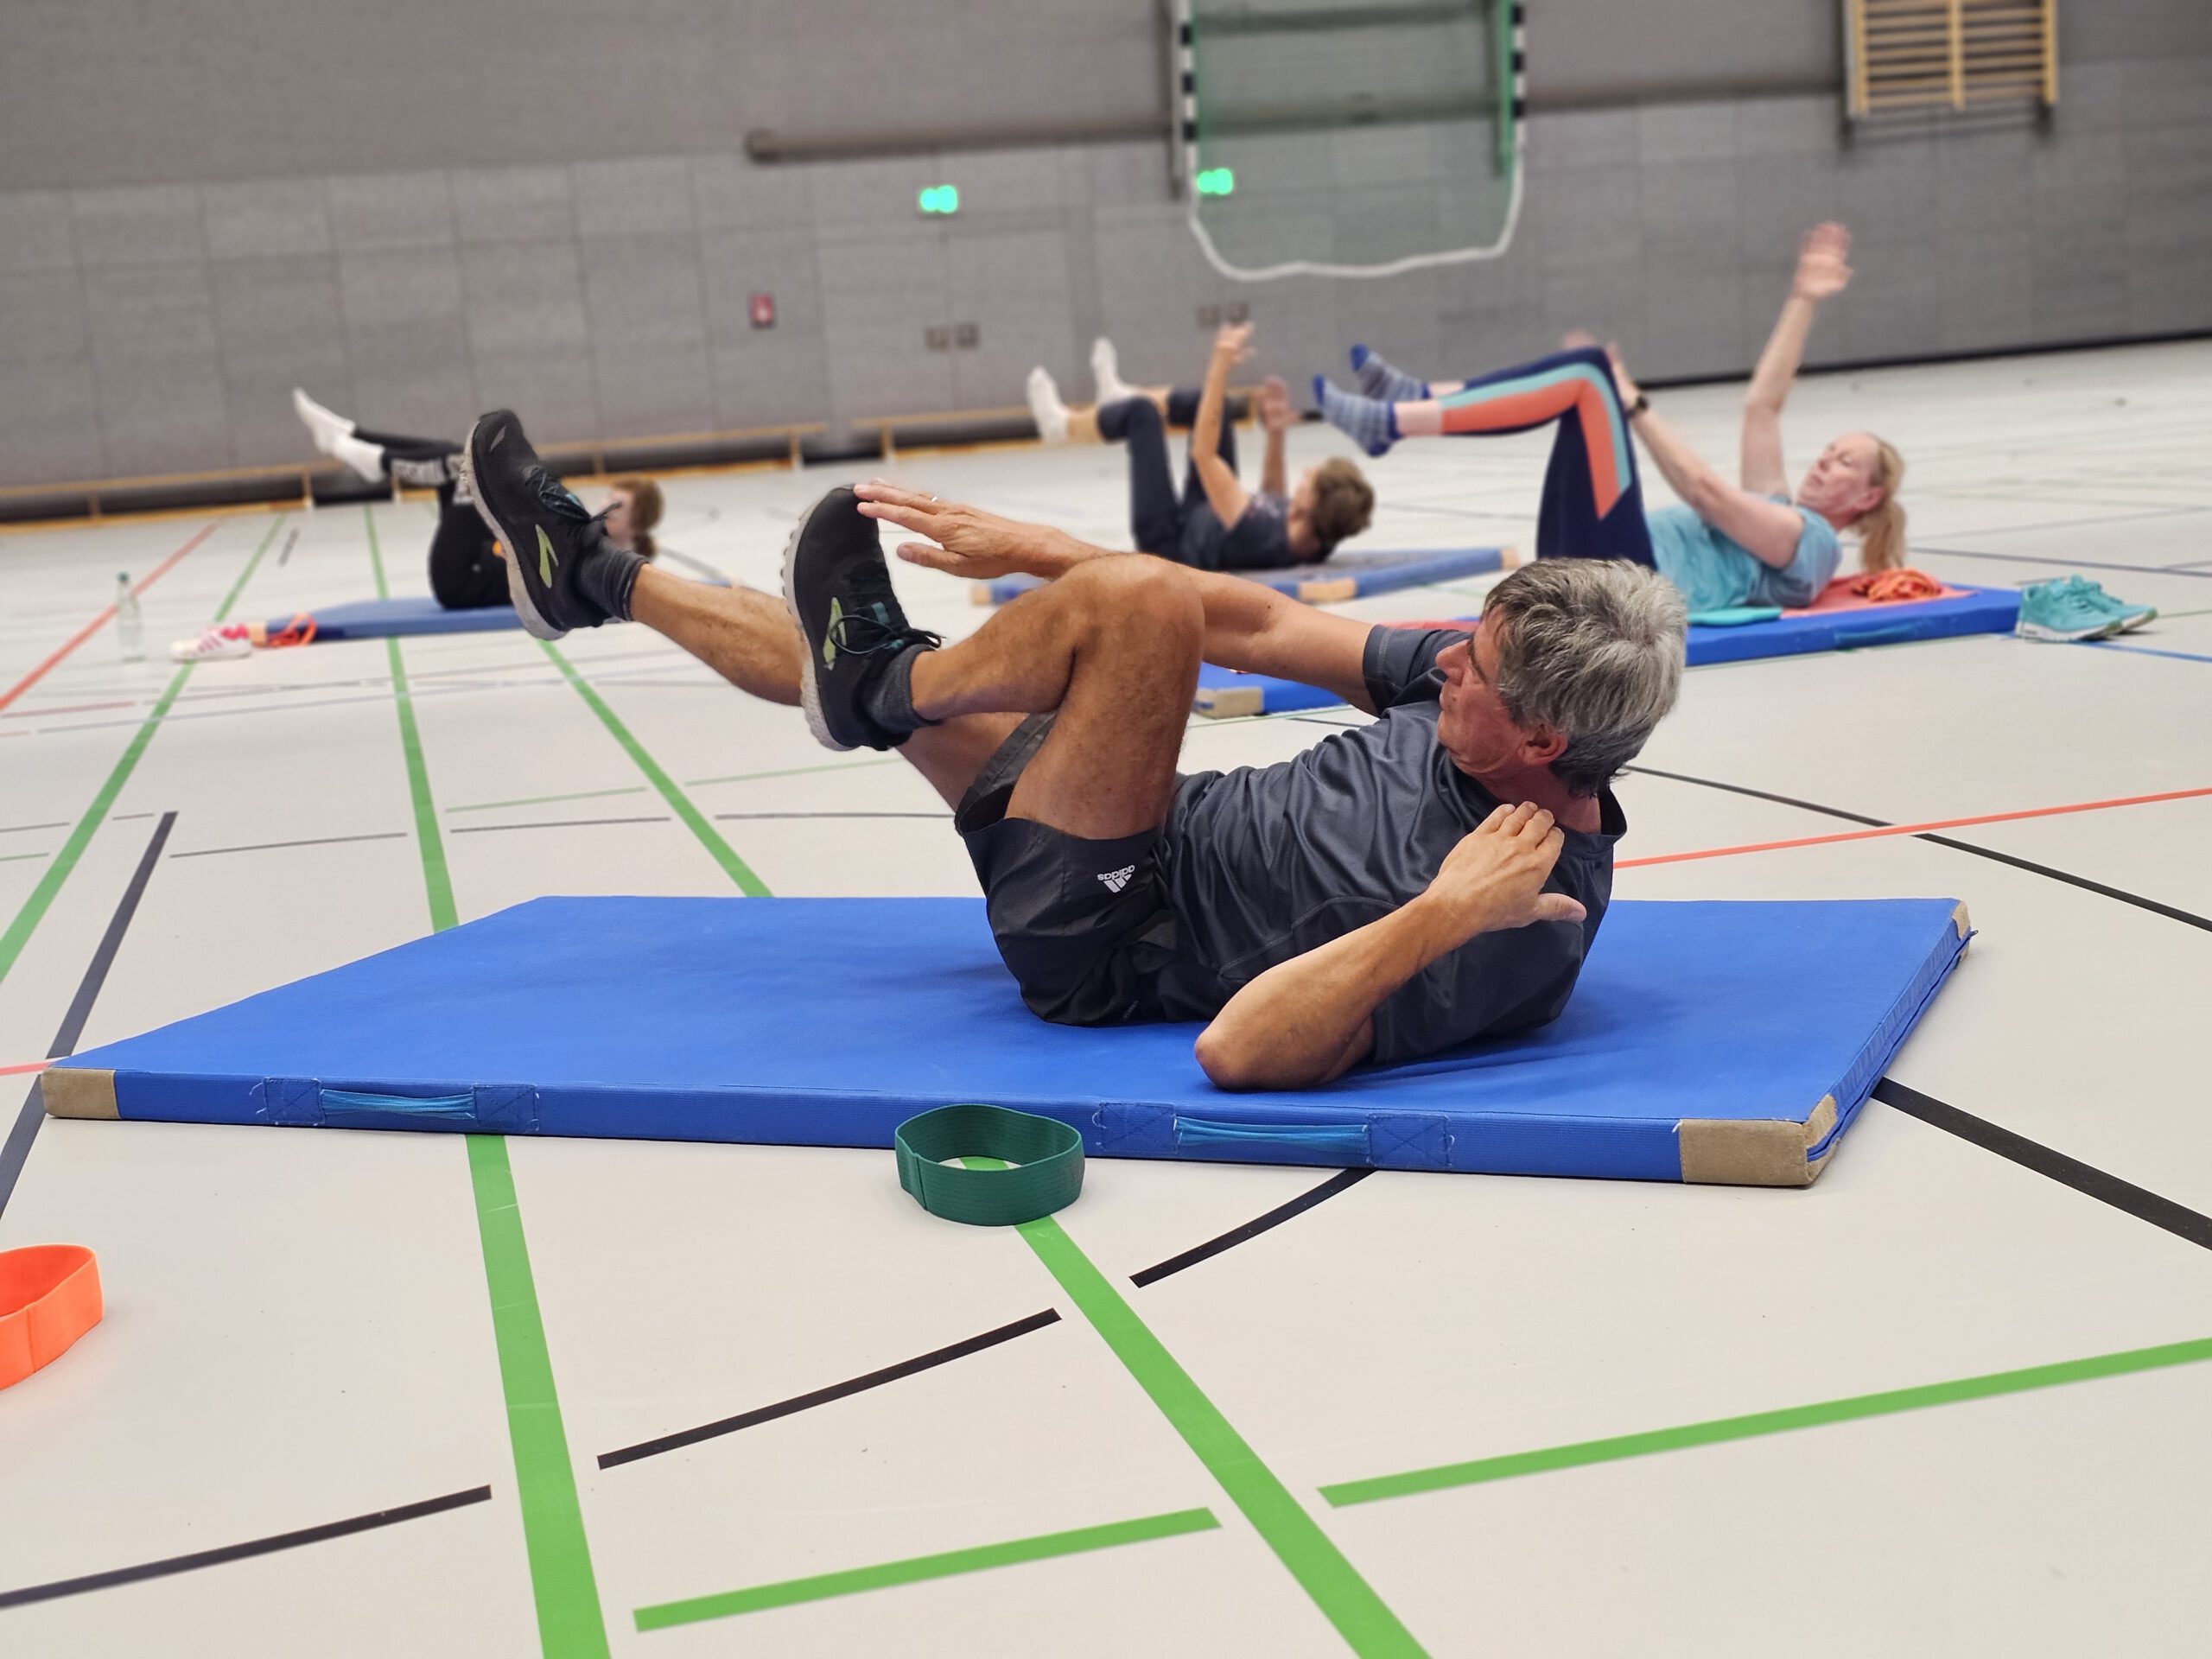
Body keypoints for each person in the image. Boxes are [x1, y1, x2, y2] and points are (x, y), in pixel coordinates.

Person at [459, 407, 1688, 1090]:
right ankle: (592, 574)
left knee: (1142, 602)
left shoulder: (1522, 923)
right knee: (1051, 622)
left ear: (1544, 737)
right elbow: (1262, 625)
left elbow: (1239, 1052)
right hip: (1137, 822)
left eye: (1475, 667)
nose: (1447, 660)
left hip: (1113, 934)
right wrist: (1037, 547)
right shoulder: (1476, 694)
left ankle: (880, 683)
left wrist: (1438, 917)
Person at [1315, 224, 1906, 617]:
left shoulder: (1813, 545)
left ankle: (1396, 418)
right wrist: (1804, 299)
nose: (1825, 461)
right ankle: (1412, 400)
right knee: (1583, 379)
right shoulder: (1780, 513)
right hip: (1598, 565)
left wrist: (1634, 403)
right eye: (1829, 450)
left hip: (1624, 584)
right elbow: (1762, 407)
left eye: (1844, 462)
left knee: (1588, 376)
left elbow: (1705, 492)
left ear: (1867, 497)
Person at [1027, 330, 1373, 571]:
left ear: (1310, 504)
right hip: (1206, 513)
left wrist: (1218, 368)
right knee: (1208, 405)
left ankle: (1061, 427)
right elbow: (1273, 499)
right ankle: (1119, 395)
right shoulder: (1316, 534)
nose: (1307, 471)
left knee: (1142, 415)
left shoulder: (1259, 536)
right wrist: (1276, 435)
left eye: (1312, 479)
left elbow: (1203, 455)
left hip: (1170, 540)